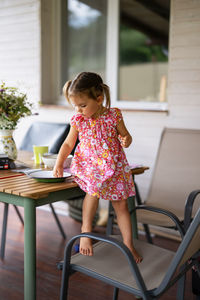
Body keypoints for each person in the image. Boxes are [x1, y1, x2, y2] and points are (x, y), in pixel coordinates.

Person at [53, 72, 142, 263]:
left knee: (121, 206)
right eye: (75, 106)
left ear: (99, 99)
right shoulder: (78, 120)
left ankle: (128, 245)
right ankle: (86, 233)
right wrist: (59, 163)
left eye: (83, 105)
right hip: (90, 165)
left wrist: (126, 140)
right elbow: (68, 144)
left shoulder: (113, 115)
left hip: (114, 166)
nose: (79, 110)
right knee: (92, 190)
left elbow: (126, 137)